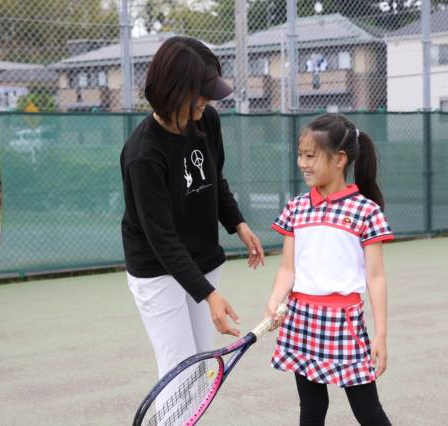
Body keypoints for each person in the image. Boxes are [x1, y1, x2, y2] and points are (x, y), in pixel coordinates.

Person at [120, 36, 265, 382]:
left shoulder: (206, 121)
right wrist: (209, 295)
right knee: (178, 372)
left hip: (202, 261)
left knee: (198, 370)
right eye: (202, 92)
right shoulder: (143, 155)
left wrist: (237, 223)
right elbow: (162, 238)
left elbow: (215, 180)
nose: (209, 100)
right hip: (157, 270)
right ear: (174, 89)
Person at [265, 114, 393, 425]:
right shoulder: (296, 208)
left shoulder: (365, 211)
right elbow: (287, 269)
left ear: (339, 159)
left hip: (343, 325)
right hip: (300, 321)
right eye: (300, 155)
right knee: (311, 408)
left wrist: (380, 334)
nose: (303, 163)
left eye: (311, 156)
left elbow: (375, 277)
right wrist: (274, 299)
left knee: (367, 410)